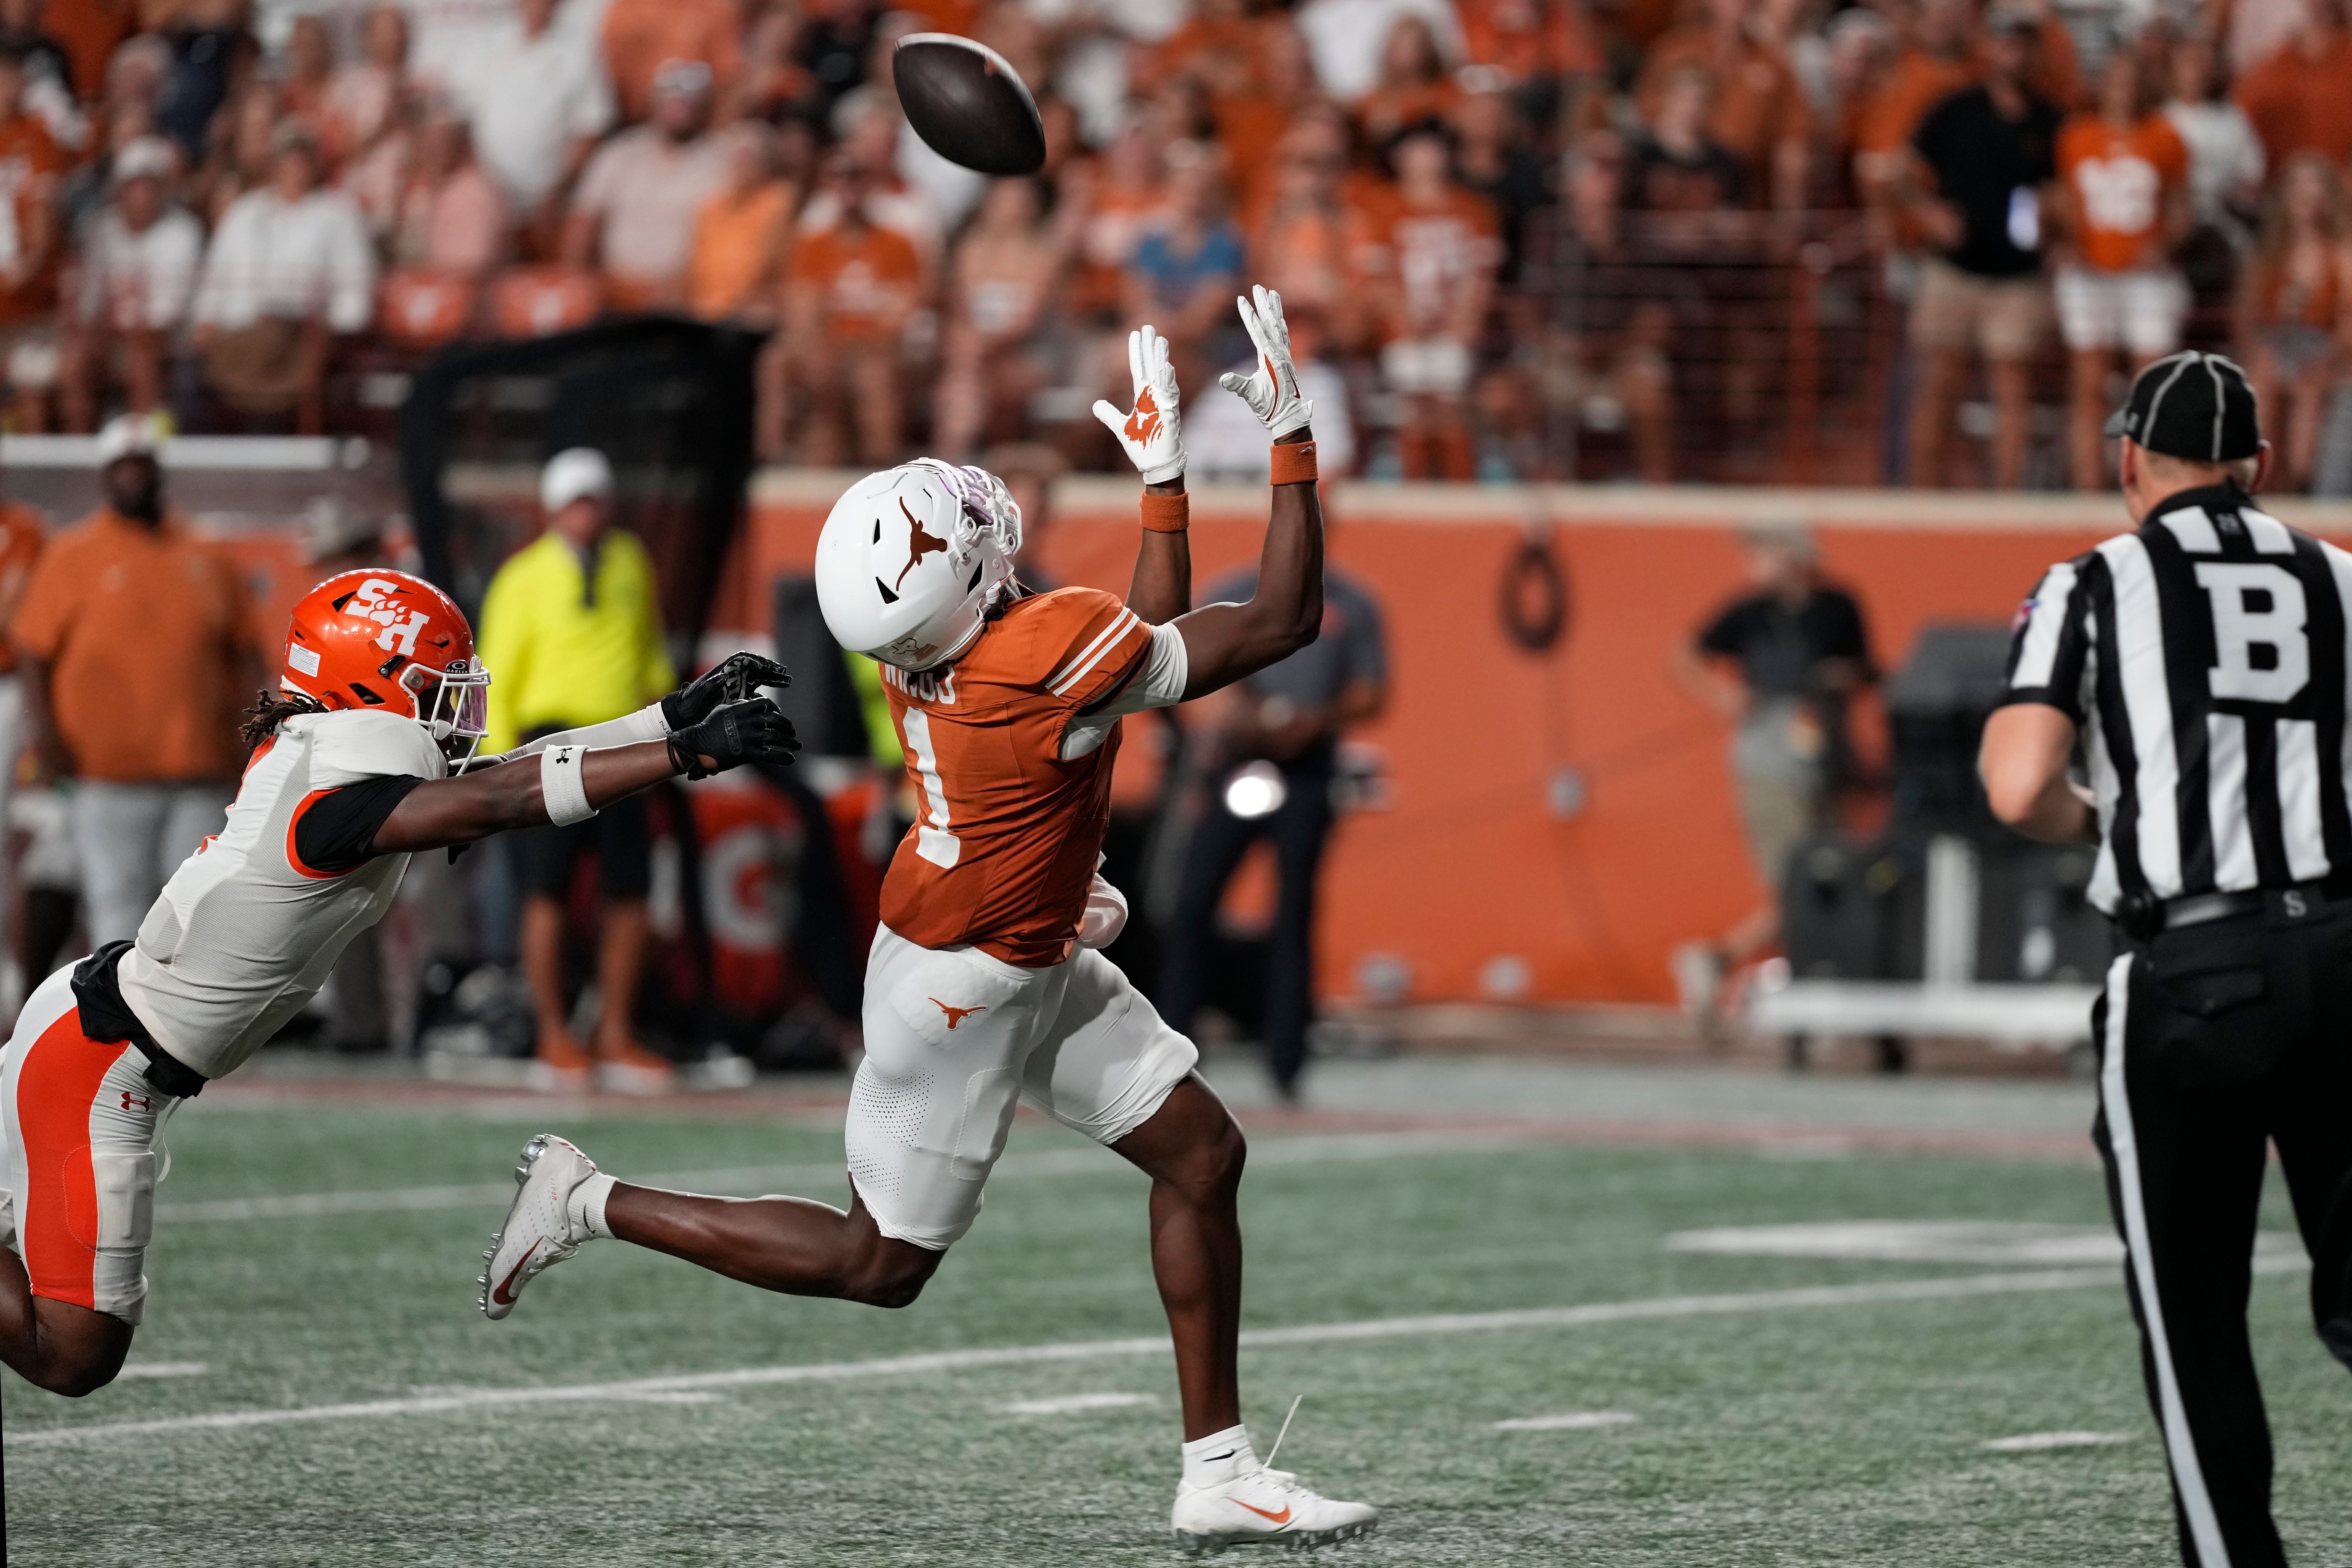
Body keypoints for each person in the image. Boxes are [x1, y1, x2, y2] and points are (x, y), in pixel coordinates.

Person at [479, 293, 1382, 1553]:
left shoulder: (960, 650)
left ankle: (1218, 1471)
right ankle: (587, 1198)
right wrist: (1288, 435)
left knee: (1201, 1155)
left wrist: (1164, 484)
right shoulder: (1031, 651)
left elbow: (1129, 665)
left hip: (1011, 942)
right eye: (958, 527)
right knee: (876, 1265)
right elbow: (1276, 622)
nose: (976, 518)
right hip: (963, 988)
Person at [0, 567, 795, 1396]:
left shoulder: (333, 754)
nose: (457, 707)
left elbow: (505, 774)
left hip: (93, 1030)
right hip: (96, 1068)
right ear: (367, 679)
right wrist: (682, 753)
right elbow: (502, 798)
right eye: (434, 687)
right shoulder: (337, 790)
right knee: (74, 1353)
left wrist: (667, 715)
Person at [1979, 350, 2352, 1568]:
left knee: (2191, 1318)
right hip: (2347, 957)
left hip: (2190, 969)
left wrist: (2114, 818)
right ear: (2258, 463)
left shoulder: (2089, 579)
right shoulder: (2340, 578)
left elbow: (2015, 780)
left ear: (2127, 460)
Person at [1158, 490, 1387, 1102]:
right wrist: (1239, 715)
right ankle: (1170, 1050)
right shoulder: (1233, 591)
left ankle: (1286, 1061)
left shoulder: (1352, 604)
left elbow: (1372, 692)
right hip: (1238, 763)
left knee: (1294, 913)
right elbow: (1185, 671)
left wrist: (1317, 720)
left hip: (1308, 768)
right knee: (1193, 902)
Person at [475, 448, 679, 1095]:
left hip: (620, 739)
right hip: (550, 742)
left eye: (594, 498)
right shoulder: (524, 575)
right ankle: (554, 1033)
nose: (587, 512)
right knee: (547, 890)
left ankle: (614, 1032)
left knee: (630, 892)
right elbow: (499, 667)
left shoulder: (629, 563)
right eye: (575, 500)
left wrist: (663, 717)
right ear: (554, 508)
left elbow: (648, 646)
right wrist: (499, 761)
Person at [9, 415, 252, 950]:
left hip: (199, 766)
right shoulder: (73, 553)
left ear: (158, 471)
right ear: (105, 475)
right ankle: (123, 1029)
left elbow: (244, 652)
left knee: (196, 906)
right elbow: (32, 651)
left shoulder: (207, 552)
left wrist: (250, 736)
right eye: (123, 467)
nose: (133, 478)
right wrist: (48, 738)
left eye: (142, 465)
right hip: (106, 768)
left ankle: (182, 1030)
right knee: (117, 904)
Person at [1670, 524, 1875, 1024]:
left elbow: (1868, 668)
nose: (1753, 561)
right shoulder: (1748, 613)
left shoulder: (1837, 607)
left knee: (1834, 877)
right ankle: (1720, 960)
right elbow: (1681, 655)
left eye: (1763, 550)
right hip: (1768, 751)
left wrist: (1842, 677)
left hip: (1824, 749)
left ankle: (1720, 960)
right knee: (1800, 883)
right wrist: (1721, 697)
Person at [1900, 7, 2061, 489]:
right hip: (1953, 268)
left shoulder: (2051, 120)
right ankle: (1921, 495)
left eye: (2023, 44)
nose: (2013, 53)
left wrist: (2057, 224)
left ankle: (2007, 497)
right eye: (2004, 42)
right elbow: (1901, 173)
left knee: (2012, 387)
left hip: (2018, 273)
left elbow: (2063, 191)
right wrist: (1927, 213)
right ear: (1988, 48)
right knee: (1939, 385)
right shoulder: (1955, 109)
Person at [2053, 50, 2191, 490]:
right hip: (2089, 272)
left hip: (2144, 276)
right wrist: (2067, 244)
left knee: (2151, 382)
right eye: (2116, 79)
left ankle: (2147, 482)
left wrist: (2163, 244)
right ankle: (2088, 486)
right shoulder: (2077, 136)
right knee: (2088, 381)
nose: (2123, 90)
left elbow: (2181, 203)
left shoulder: (2163, 136)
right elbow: (2061, 201)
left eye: (2132, 80)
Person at [190, 124, 375, 432]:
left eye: (303, 158)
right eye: (288, 158)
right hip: (238, 331)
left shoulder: (339, 214)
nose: (295, 167)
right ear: (274, 164)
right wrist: (206, 318)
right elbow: (216, 276)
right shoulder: (245, 212)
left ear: (316, 164)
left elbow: (356, 286)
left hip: (300, 331)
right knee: (190, 371)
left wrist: (337, 326)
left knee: (283, 360)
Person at [561, 59, 729, 312]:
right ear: (656, 102)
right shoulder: (621, 153)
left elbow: (728, 237)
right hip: (612, 289)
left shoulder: (720, 163)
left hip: (680, 298)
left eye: (690, 102)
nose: (681, 108)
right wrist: (577, 281)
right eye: (673, 99)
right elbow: (585, 221)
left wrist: (689, 285)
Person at [57, 134, 200, 432]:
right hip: (109, 334)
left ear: (162, 190)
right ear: (121, 189)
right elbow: (88, 297)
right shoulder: (100, 228)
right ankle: (77, 446)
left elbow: (168, 312)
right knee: (74, 361)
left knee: (141, 361)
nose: (142, 194)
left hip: (164, 339)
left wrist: (124, 329)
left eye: (150, 185)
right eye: (135, 185)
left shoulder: (184, 231)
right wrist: (93, 330)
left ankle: (141, 451)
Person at [2237, 153, 2352, 492]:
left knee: (2309, 391)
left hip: (2323, 348)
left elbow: (2348, 321)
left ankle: (2304, 480)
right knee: (2261, 385)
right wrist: (2262, 348)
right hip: (2276, 343)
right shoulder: (2270, 253)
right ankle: (2258, 480)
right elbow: (2248, 315)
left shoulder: (2341, 254)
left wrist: (2325, 359)